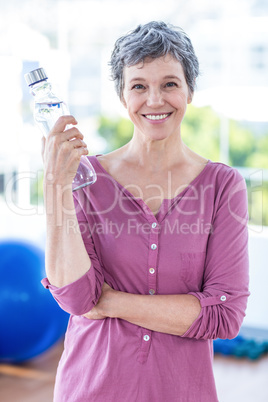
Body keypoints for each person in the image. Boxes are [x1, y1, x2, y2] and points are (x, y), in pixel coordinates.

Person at [41, 21, 250, 402]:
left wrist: (111, 302)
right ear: (123, 96)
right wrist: (56, 186)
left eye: (169, 83)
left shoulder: (223, 186)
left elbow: (225, 315)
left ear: (189, 90)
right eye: (139, 85)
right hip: (90, 389)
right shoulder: (86, 179)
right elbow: (75, 299)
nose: (155, 100)